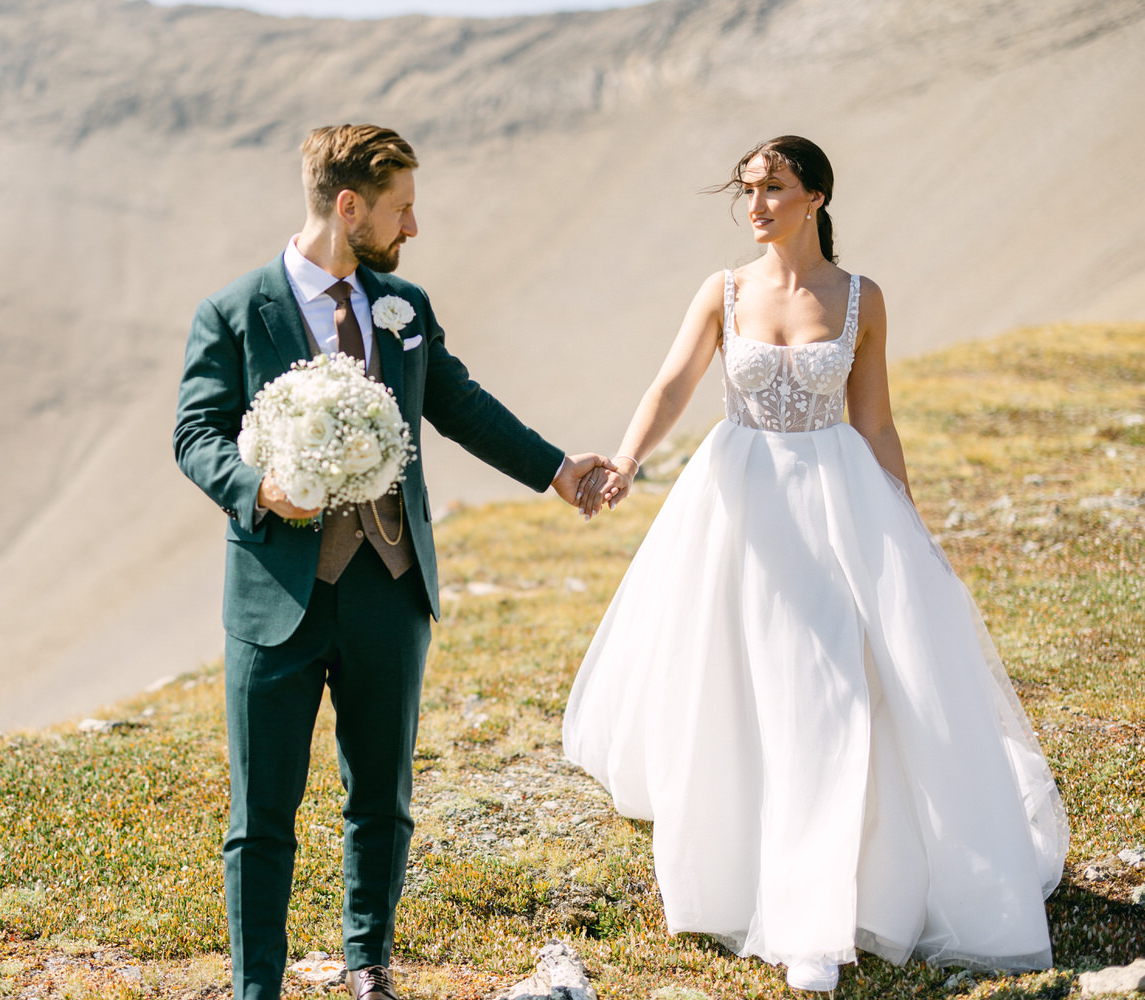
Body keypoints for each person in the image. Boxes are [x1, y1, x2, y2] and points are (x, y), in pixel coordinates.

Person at [564, 136, 1068, 993]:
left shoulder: (861, 298)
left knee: (835, 690)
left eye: (774, 188)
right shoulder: (722, 291)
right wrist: (625, 459)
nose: (756, 204)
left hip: (840, 505)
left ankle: (816, 923)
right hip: (740, 508)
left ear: (817, 199)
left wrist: (905, 525)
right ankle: (754, 880)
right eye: (749, 190)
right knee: (746, 689)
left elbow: (873, 421)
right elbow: (673, 386)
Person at [174, 123, 610, 1000]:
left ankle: (366, 965)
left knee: (382, 795)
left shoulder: (402, 306)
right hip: (275, 594)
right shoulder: (232, 310)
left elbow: (459, 404)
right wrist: (258, 486)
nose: (412, 227)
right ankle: (257, 987)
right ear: (349, 206)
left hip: (390, 584)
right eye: (401, 208)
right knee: (262, 814)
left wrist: (558, 471)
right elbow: (195, 434)